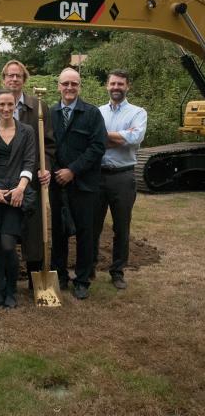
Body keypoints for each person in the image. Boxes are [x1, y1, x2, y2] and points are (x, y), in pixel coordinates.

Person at [0, 59, 55, 284]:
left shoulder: (39, 105)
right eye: (9, 76)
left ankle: (34, 277)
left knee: (33, 233)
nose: (14, 79)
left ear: (24, 80)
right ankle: (0, 277)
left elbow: (49, 144)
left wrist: (47, 168)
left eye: (18, 76)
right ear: (3, 79)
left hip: (29, 180)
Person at [50, 68, 106, 300]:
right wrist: (55, 172)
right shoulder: (50, 112)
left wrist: (72, 170)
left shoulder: (91, 113)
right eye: (65, 84)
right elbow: (46, 146)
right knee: (58, 233)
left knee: (85, 233)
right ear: (58, 86)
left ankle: (82, 280)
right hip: (56, 184)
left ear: (79, 86)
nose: (69, 88)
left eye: (74, 84)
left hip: (83, 185)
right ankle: (60, 275)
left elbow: (98, 147)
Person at [0, 89, 36, 308]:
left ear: (15, 106)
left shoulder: (27, 131)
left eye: (10, 105)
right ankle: (0, 288)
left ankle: (12, 289)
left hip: (15, 195)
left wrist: (21, 187)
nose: (5, 109)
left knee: (7, 244)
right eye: (1, 104)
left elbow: (29, 161)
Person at [93, 69, 147, 289]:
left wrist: (103, 138)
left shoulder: (138, 112)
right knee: (92, 225)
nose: (116, 87)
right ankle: (89, 267)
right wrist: (121, 137)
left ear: (127, 86)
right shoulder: (98, 112)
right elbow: (92, 140)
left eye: (120, 84)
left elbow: (135, 138)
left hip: (123, 177)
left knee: (121, 227)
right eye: (113, 83)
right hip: (97, 176)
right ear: (107, 85)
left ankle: (117, 271)